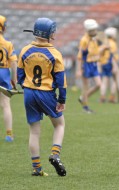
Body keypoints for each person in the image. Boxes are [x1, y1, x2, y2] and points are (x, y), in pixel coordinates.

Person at [17, 18, 67, 177]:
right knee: (59, 125)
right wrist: (62, 99)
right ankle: (55, 154)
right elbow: (61, 80)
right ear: (49, 34)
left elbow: (19, 76)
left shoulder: (25, 50)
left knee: (34, 131)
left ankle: (37, 169)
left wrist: (25, 86)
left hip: (29, 93)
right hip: (46, 94)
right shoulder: (54, 54)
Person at [76, 19, 102, 113]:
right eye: (94, 30)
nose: (95, 31)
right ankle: (85, 108)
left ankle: (83, 98)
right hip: (86, 64)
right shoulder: (84, 40)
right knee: (85, 86)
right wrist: (79, 69)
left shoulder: (94, 39)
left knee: (99, 84)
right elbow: (80, 55)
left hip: (93, 64)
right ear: (89, 30)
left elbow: (96, 51)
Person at [0, 15, 17, 142]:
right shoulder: (8, 44)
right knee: (5, 104)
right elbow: (14, 63)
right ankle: (9, 134)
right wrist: (14, 79)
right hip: (3, 73)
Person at [99, 27, 119, 103]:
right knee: (115, 80)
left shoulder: (105, 42)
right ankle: (112, 97)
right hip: (111, 63)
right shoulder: (113, 43)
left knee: (104, 80)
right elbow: (113, 56)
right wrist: (115, 66)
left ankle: (102, 96)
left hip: (104, 63)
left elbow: (100, 53)